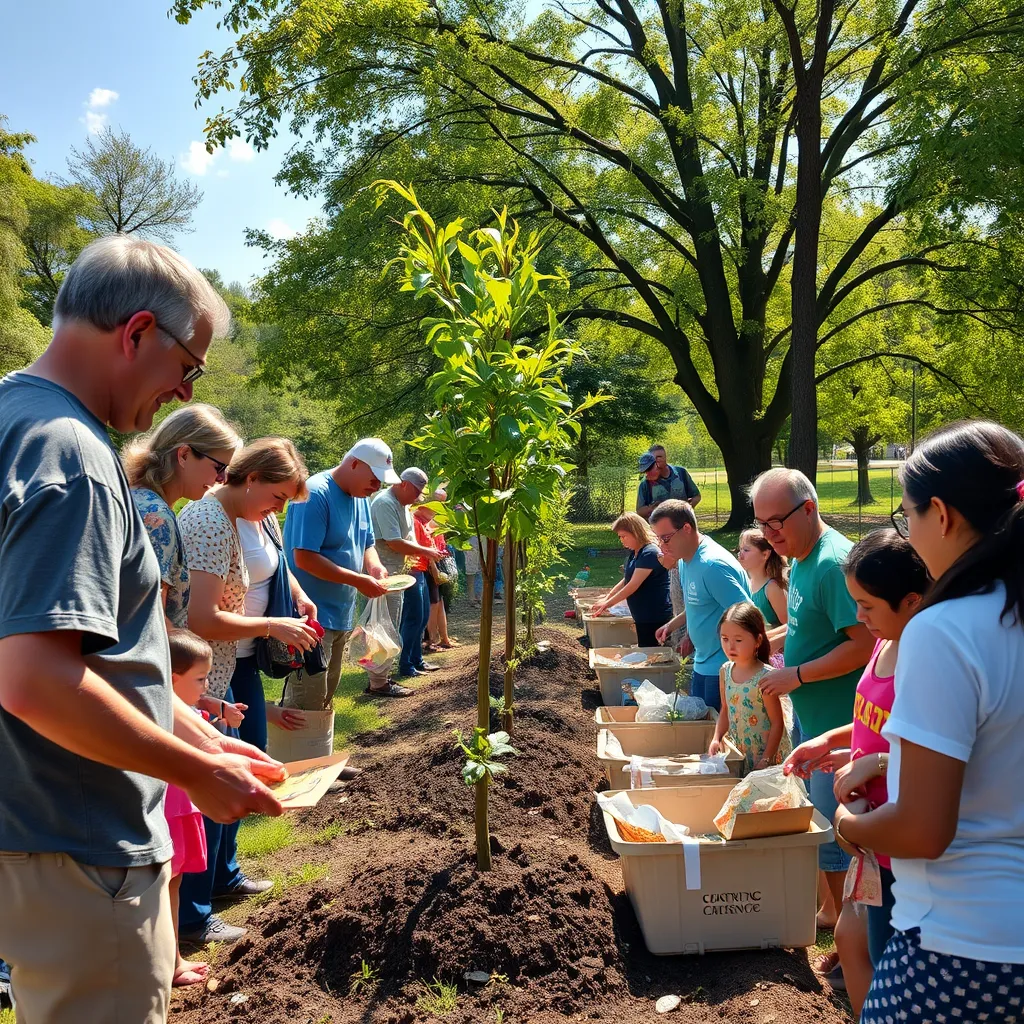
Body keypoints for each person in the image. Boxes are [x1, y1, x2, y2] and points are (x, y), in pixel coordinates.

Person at [0, 235, 284, 1024]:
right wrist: (193, 773)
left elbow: (90, 654)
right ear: (135, 335)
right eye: (188, 366)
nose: (182, 390)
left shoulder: (12, 417)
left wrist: (191, 731)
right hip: (80, 843)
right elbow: (35, 680)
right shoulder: (74, 456)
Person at [828, 421, 1024, 1024]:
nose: (907, 534)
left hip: (961, 943)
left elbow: (921, 830)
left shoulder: (945, 630)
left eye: (907, 514)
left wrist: (847, 825)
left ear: (940, 513)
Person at [178, 437, 318, 945]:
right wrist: (270, 627)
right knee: (213, 778)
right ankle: (192, 914)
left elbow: (275, 566)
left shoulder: (262, 516)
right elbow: (199, 618)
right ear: (251, 477)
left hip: (239, 665)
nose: (280, 507)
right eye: (277, 495)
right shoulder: (207, 522)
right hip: (206, 672)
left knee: (250, 760)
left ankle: (223, 874)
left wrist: (298, 599)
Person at [784, 529, 927, 1015]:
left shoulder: (925, 659)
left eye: (866, 606)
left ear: (910, 601)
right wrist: (835, 741)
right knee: (849, 935)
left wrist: (878, 762)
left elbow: (924, 748)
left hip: (891, 834)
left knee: (878, 945)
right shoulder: (885, 644)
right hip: (867, 827)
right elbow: (875, 720)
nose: (859, 618)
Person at [750, 467, 874, 952]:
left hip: (838, 726)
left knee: (831, 832)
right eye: (761, 524)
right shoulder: (799, 557)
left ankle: (849, 948)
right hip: (811, 717)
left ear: (809, 507)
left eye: (776, 521)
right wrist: (767, 643)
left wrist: (795, 676)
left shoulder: (832, 563)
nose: (768, 534)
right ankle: (829, 910)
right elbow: (806, 626)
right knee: (815, 819)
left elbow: (863, 645)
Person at [284, 439, 393, 705]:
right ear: (354, 463)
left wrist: (374, 566)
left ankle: (317, 746)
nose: (377, 486)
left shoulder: (360, 497)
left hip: (341, 612)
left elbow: (367, 543)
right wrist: (357, 580)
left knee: (325, 693)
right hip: (310, 616)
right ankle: (294, 748)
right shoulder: (315, 493)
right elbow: (305, 558)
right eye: (375, 478)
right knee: (305, 700)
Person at [651, 500, 751, 711]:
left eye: (666, 538)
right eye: (658, 539)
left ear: (686, 528)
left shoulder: (712, 566)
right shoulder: (686, 560)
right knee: (705, 735)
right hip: (702, 663)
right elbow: (702, 604)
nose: (662, 546)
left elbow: (748, 615)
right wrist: (673, 625)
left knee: (718, 735)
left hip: (724, 669)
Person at [164, 630, 215, 988]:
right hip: (165, 813)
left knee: (175, 883)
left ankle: (173, 958)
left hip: (183, 809)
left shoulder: (188, 712)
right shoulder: (157, 714)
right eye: (200, 678)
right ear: (171, 679)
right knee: (162, 885)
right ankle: (165, 962)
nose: (207, 684)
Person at [370, 468, 443, 687]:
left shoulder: (404, 505)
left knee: (419, 616)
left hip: (406, 570)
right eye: (416, 491)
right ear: (403, 484)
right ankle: (387, 674)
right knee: (391, 623)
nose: (417, 497)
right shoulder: (385, 503)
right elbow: (394, 542)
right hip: (387, 573)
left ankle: (414, 660)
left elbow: (408, 538)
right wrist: (427, 552)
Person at [710, 602, 792, 774]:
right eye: (725, 639)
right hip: (740, 755)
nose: (730, 646)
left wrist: (766, 760)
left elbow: (777, 723)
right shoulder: (725, 671)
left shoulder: (766, 677)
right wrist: (716, 738)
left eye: (738, 640)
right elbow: (725, 709)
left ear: (758, 640)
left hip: (766, 759)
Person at [591, 512, 672, 647]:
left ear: (636, 532)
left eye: (624, 536)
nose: (622, 541)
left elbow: (633, 585)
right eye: (620, 537)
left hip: (653, 615)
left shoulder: (649, 553)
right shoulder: (636, 553)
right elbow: (626, 580)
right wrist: (607, 598)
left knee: (652, 653)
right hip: (642, 615)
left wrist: (607, 605)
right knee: (646, 650)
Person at [736, 527, 789, 628]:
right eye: (740, 549)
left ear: (765, 554)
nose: (740, 555)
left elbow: (790, 625)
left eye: (746, 550)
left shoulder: (772, 588)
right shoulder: (746, 583)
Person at [636, 444, 701, 520]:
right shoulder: (645, 482)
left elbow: (697, 496)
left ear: (666, 458)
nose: (656, 460)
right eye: (653, 458)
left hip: (683, 523)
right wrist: (652, 509)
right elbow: (640, 510)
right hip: (659, 527)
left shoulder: (681, 473)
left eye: (659, 457)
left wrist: (686, 509)